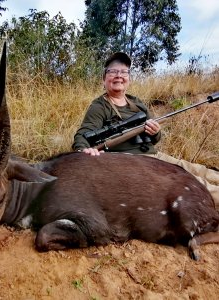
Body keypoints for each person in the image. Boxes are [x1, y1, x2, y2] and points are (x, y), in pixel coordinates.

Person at [72, 52, 219, 209]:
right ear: (104, 78)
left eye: (123, 72)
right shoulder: (99, 106)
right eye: (113, 71)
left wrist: (155, 131)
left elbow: (155, 138)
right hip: (134, 162)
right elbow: (83, 134)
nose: (118, 76)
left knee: (199, 170)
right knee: (196, 182)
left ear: (129, 79)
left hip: (155, 155)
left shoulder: (136, 103)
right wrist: (84, 151)